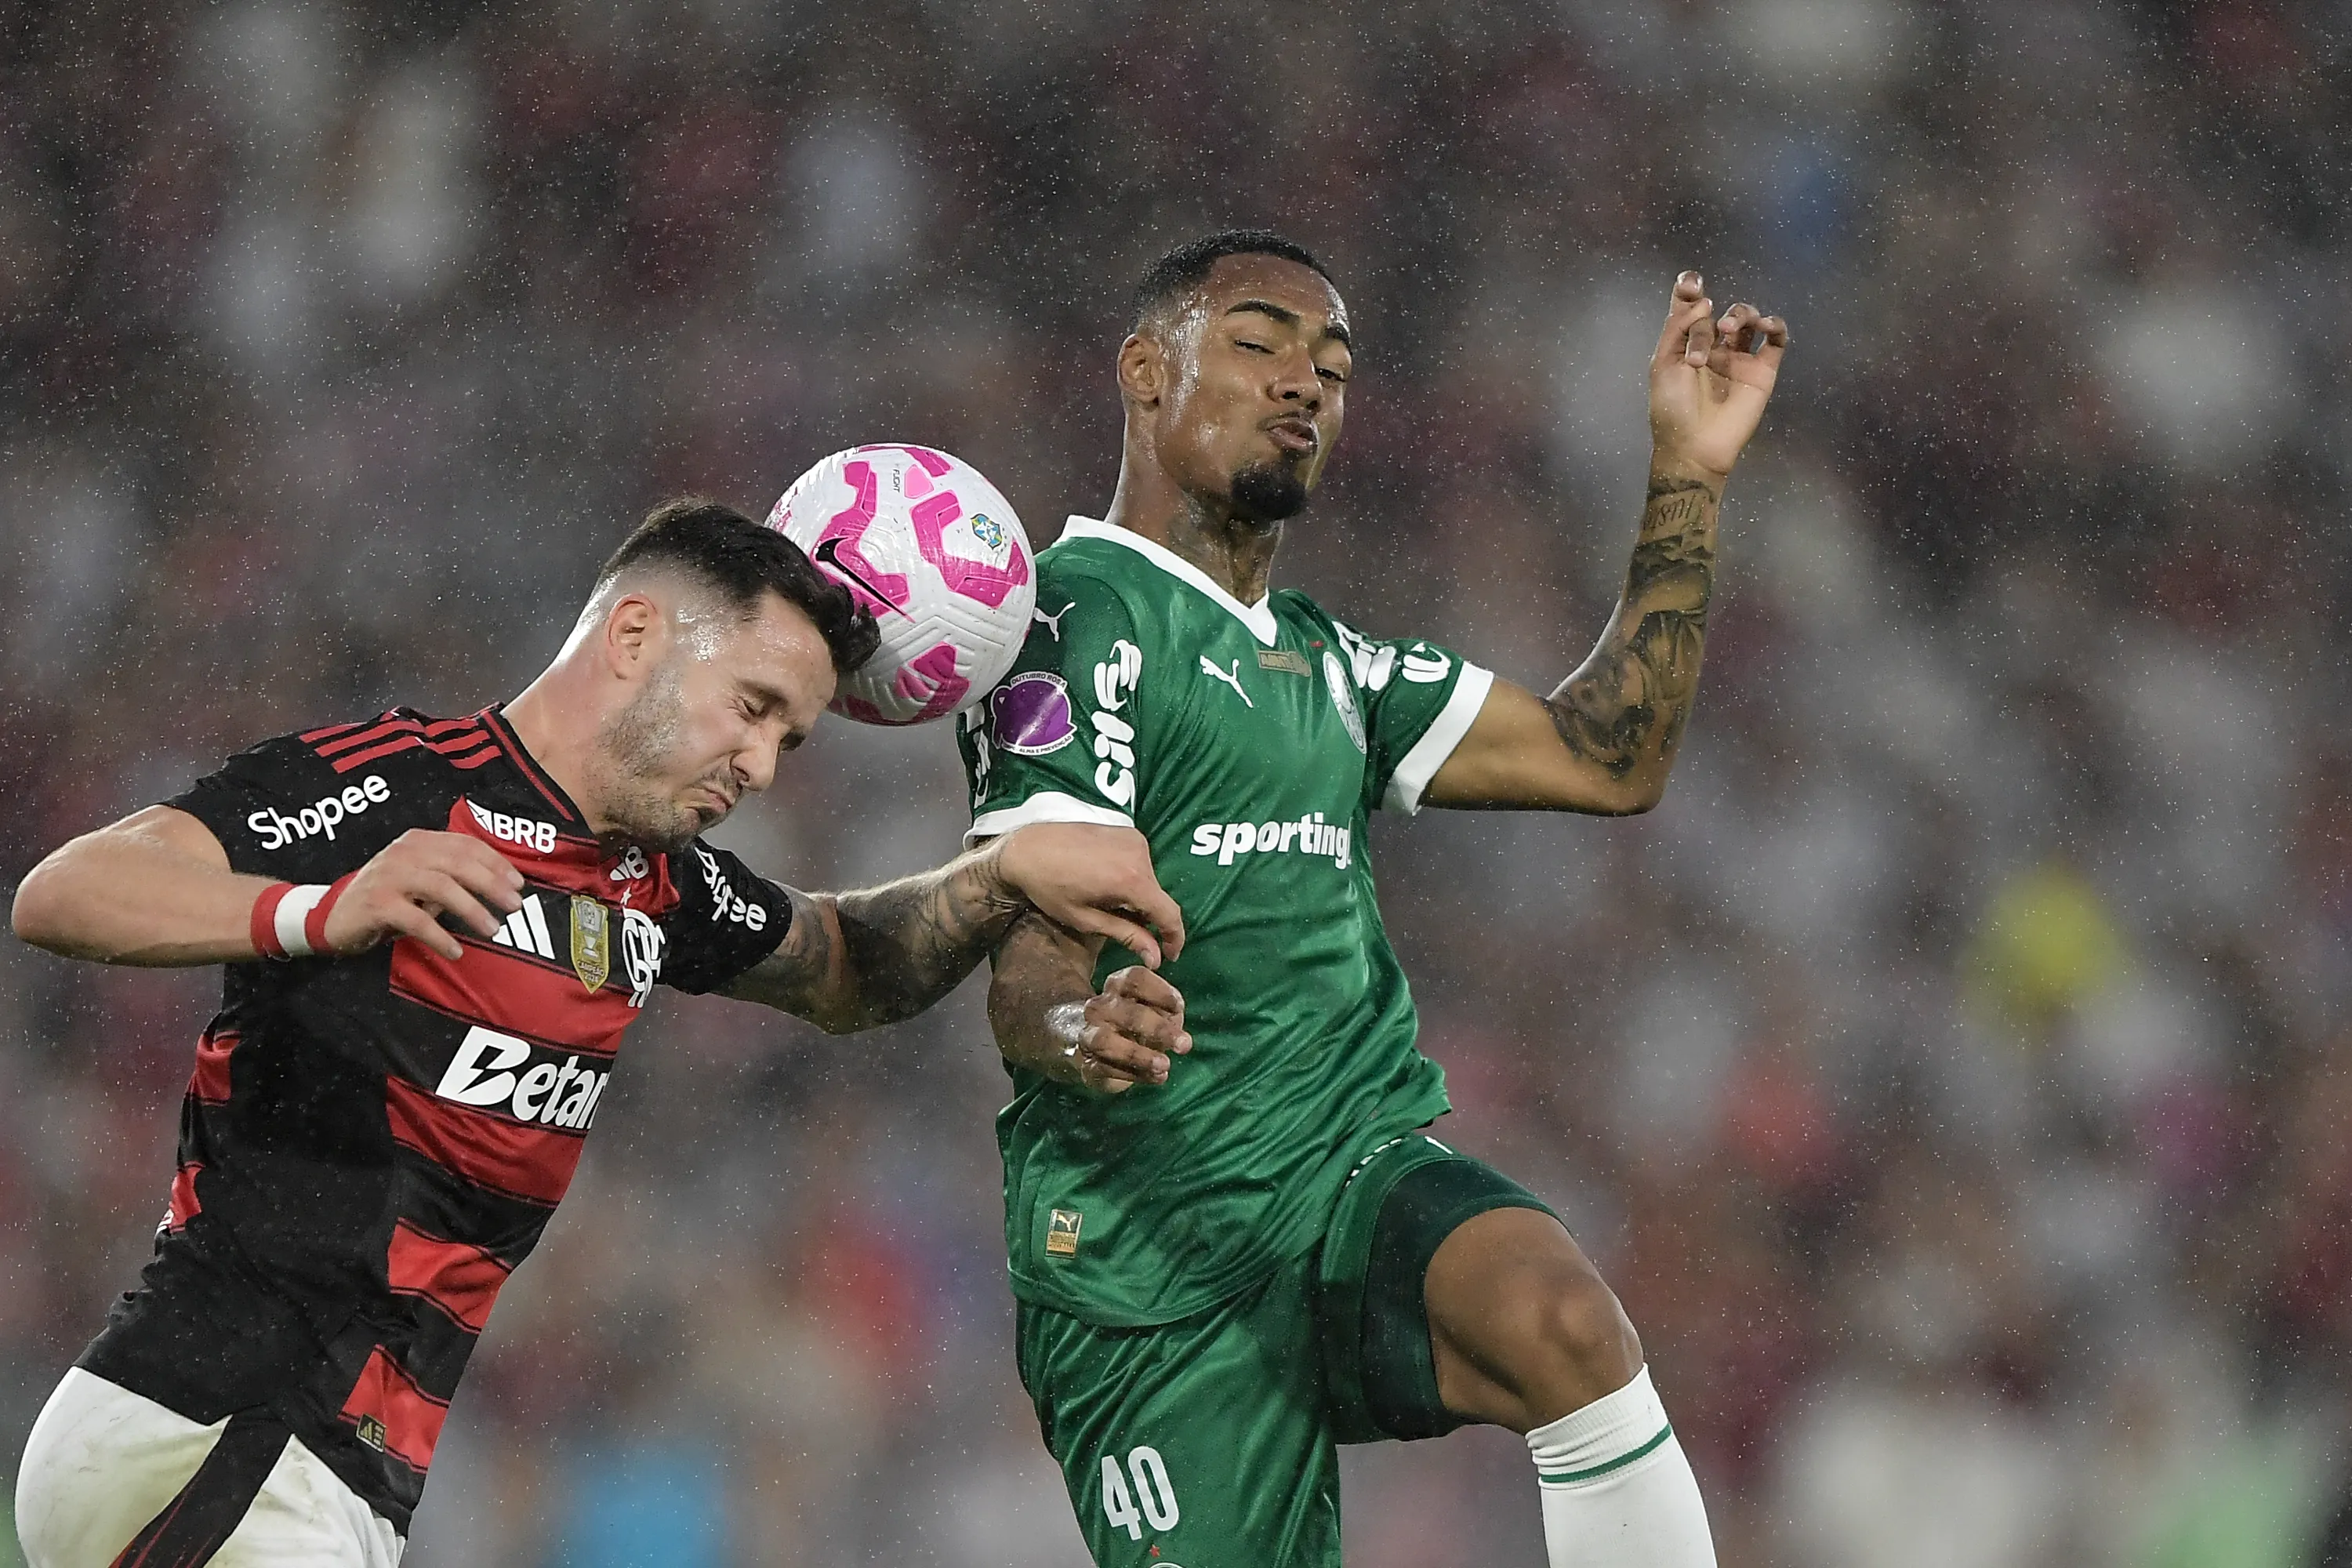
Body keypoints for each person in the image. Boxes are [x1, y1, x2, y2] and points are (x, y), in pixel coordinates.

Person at [7, 499, 1189, 1566]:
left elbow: (844, 969)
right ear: (633, 640)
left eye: (792, 739)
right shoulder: (405, 787)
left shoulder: (654, 882)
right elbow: (66, 891)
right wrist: (321, 909)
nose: (763, 764)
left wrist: (1000, 878)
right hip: (227, 1421)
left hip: (337, 1463)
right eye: (754, 708)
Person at [958, 230, 1786, 1567]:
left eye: (1332, 367)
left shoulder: (1330, 661)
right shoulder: (1073, 618)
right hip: (1148, 1258)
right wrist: (1073, 1031)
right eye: (1260, 343)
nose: (1304, 384)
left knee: (1563, 1324)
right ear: (1143, 369)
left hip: (1344, 1175)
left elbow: (1609, 754)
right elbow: (1028, 950)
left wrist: (1686, 475)